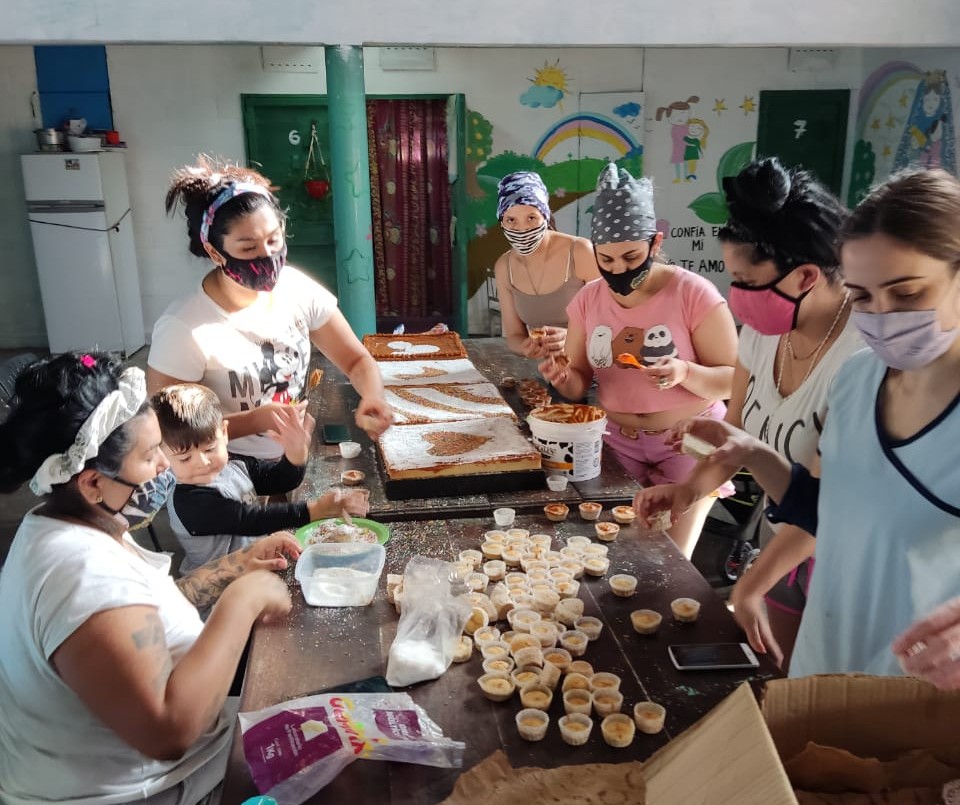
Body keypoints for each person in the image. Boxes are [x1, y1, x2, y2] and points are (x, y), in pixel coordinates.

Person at [636, 169, 960, 678]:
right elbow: (822, 508)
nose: (882, 317)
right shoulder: (859, 378)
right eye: (863, 297)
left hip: (922, 676)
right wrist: (746, 454)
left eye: (907, 294)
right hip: (830, 640)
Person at [0, 352, 299, 805]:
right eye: (148, 455)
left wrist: (237, 565)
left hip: (188, 763)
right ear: (92, 483)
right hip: (165, 789)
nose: (164, 464)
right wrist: (241, 602)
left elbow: (141, 620)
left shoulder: (64, 522)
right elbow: (168, 732)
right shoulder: (81, 573)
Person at [634, 158, 862, 671]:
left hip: (842, 563)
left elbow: (826, 505)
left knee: (827, 688)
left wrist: (751, 585)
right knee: (778, 677)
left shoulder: (860, 359)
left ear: (805, 277)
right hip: (779, 546)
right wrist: (690, 490)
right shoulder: (762, 335)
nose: (735, 297)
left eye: (744, 280)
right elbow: (735, 433)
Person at [539, 163, 738, 558]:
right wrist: (562, 376)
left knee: (669, 562)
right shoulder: (588, 299)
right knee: (611, 552)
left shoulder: (693, 293)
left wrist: (684, 371)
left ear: (655, 242)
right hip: (617, 442)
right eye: (607, 260)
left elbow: (734, 379)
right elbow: (579, 382)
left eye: (631, 257)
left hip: (688, 441)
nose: (619, 270)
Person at [148, 158, 393, 460]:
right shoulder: (184, 327)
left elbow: (356, 361)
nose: (267, 255)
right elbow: (167, 428)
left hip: (296, 459)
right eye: (248, 248)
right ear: (214, 252)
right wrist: (256, 421)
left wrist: (373, 396)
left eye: (274, 239)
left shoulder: (297, 289)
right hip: (226, 472)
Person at [153, 383, 369, 575]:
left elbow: (280, 480)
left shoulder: (235, 465)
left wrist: (296, 454)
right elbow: (249, 519)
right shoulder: (186, 500)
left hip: (254, 570)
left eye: (210, 448)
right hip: (217, 592)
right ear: (161, 454)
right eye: (185, 458)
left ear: (224, 433)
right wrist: (314, 510)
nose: (203, 462)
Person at [493, 171, 598, 361]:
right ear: (501, 221)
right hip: (545, 368)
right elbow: (514, 335)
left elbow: (609, 320)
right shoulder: (504, 267)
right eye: (511, 220)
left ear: (545, 215)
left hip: (593, 363)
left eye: (531, 217)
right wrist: (525, 348)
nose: (522, 229)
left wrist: (573, 338)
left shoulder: (580, 252)